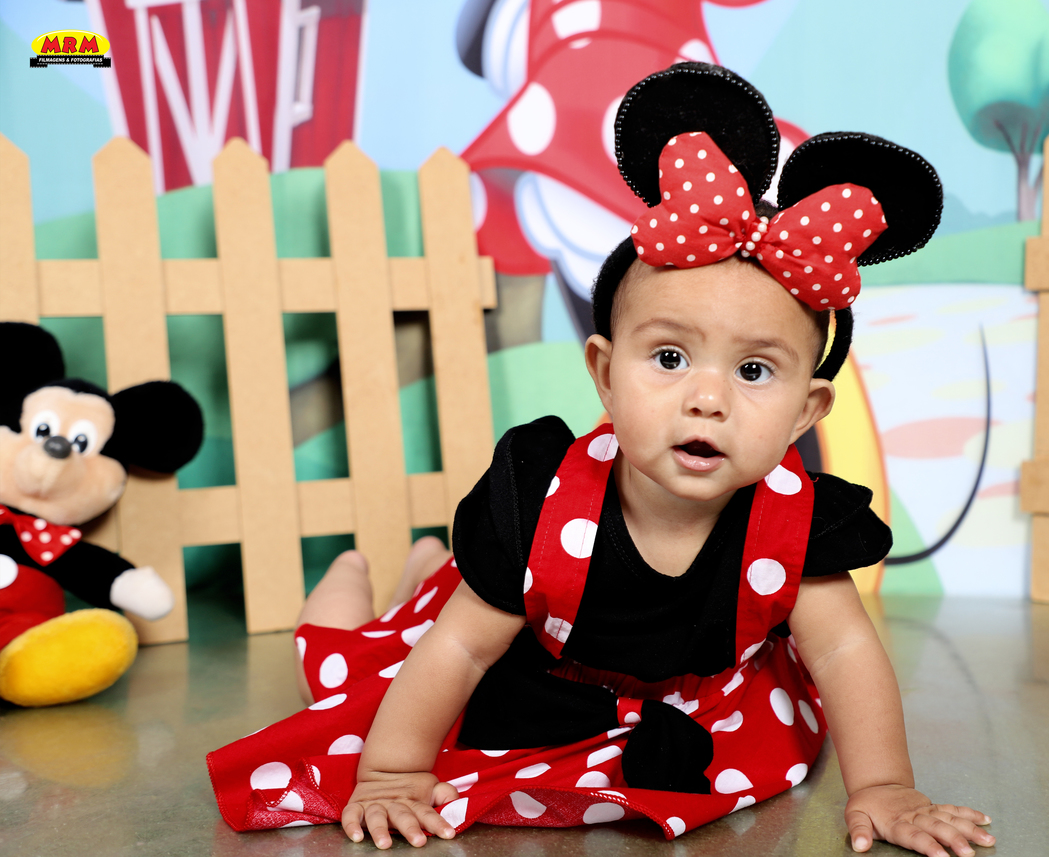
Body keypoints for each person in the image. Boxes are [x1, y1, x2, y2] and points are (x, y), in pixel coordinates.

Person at [208, 64, 994, 857]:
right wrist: (393, 770)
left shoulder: (797, 524)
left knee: (438, 593)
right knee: (353, 664)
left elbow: (844, 651)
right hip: (528, 662)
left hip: (699, 709)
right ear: (605, 374)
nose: (707, 399)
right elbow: (462, 648)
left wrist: (885, 785)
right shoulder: (544, 500)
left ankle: (422, 565)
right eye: (669, 357)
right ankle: (351, 577)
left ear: (806, 412)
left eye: (754, 370)